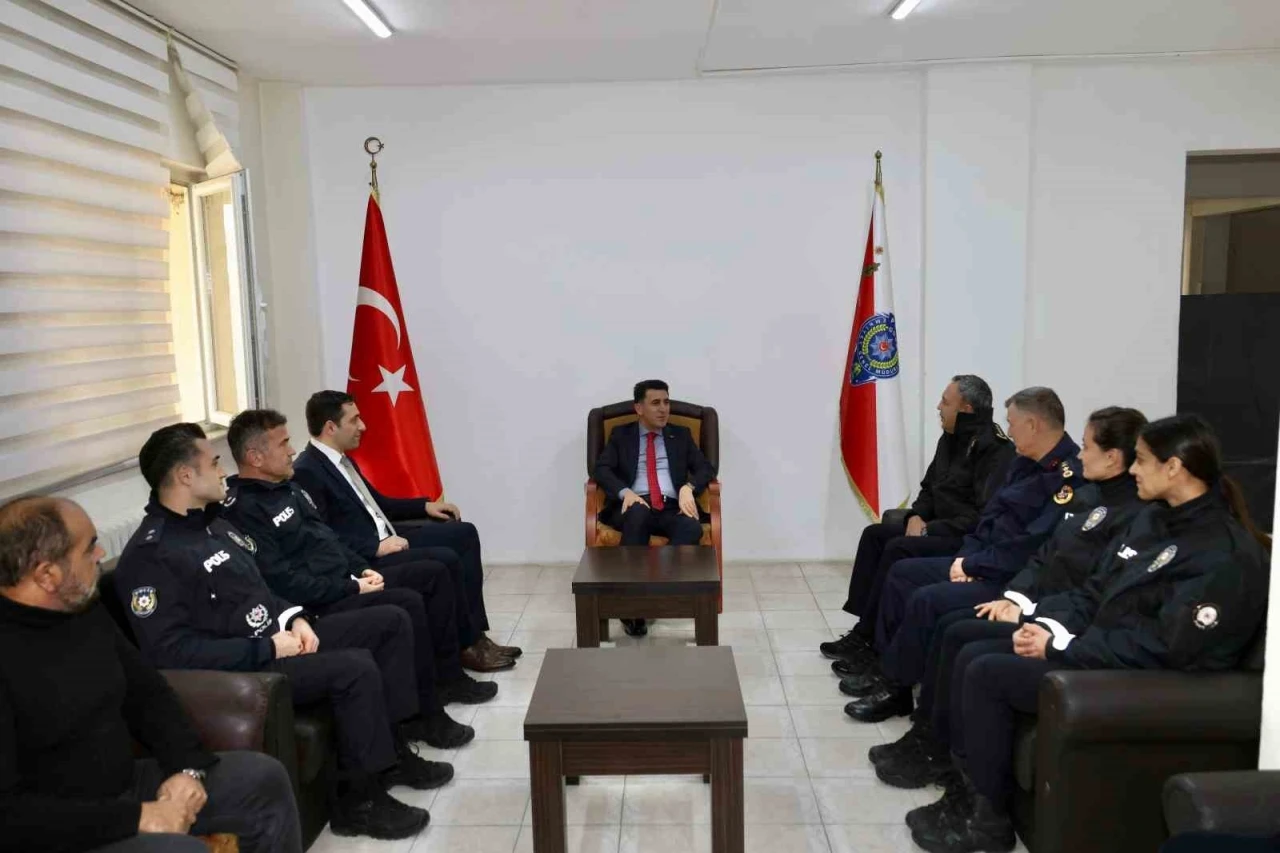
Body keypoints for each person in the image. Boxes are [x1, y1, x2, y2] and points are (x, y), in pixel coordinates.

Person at [913, 413, 1270, 853]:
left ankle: (987, 822)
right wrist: (1044, 625)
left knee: (987, 672)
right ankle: (965, 788)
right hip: (1096, 647)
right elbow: (1096, 589)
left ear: (1174, 467)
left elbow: (1166, 647)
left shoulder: (1223, 553)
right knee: (970, 649)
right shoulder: (1155, 520)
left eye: (1141, 460)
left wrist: (1064, 647)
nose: (1133, 469)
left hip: (1137, 676)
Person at [113, 423, 447, 841]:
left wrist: (293, 618)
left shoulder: (214, 525)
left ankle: (394, 753)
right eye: (213, 463)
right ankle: (359, 803)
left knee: (388, 622)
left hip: (276, 640)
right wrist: (267, 647)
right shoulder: (151, 556)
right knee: (354, 669)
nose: (223, 471)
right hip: (244, 669)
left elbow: (259, 587)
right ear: (185, 476)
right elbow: (172, 653)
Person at [867, 406, 1147, 792]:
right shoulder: (1088, 497)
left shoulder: (1127, 514)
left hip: (1055, 618)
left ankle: (951, 765)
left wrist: (1033, 613)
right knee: (949, 624)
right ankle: (927, 734)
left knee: (953, 627)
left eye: (1087, 447)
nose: (1080, 455)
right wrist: (1014, 595)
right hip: (1029, 594)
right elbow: (1043, 554)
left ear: (1113, 457)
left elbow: (1090, 588)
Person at [0, 495, 302, 853]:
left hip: (126, 787)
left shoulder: (82, 609)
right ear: (47, 574)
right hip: (59, 829)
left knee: (263, 779)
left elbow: (147, 693)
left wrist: (185, 769)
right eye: (90, 547)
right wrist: (138, 818)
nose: (101, 555)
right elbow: (10, 815)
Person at [223, 409, 496, 719]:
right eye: (283, 443)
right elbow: (283, 581)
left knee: (434, 571)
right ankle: (422, 713)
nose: (292, 450)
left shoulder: (288, 487)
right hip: (321, 601)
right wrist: (352, 585)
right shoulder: (246, 510)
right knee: (407, 602)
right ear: (255, 457)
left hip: (347, 577)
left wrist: (360, 569)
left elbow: (329, 538)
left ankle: (449, 676)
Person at [838, 387, 1084, 721]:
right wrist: (964, 560)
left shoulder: (1067, 478)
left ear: (1033, 425)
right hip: (982, 560)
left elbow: (1029, 545)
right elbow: (989, 519)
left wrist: (973, 565)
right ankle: (883, 664)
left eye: (1012, 423)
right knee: (902, 572)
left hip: (1010, 579)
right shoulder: (1024, 462)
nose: (1009, 430)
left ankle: (895, 687)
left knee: (926, 598)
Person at [292, 390, 519, 672]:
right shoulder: (308, 470)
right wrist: (374, 548)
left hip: (389, 535)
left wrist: (424, 506)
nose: (363, 426)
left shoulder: (341, 460)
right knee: (446, 559)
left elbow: (379, 504)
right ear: (330, 427)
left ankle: (475, 635)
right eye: (354, 420)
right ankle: (465, 646)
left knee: (463, 533)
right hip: (367, 554)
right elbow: (323, 535)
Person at [822, 375, 1013, 663]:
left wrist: (930, 529)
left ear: (967, 409)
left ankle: (875, 642)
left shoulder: (995, 450)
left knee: (898, 548)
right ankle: (864, 630)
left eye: (945, 402)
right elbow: (929, 488)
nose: (938, 407)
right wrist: (917, 514)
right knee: (875, 535)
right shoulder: (949, 438)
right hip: (934, 527)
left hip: (961, 538)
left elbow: (983, 516)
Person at [592, 379, 719, 637]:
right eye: (656, 403)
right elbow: (601, 469)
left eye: (666, 402)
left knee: (691, 527)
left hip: (670, 506)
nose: (663, 409)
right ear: (639, 408)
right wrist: (625, 492)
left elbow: (706, 468)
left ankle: (658, 593)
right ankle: (631, 608)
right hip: (633, 504)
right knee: (638, 513)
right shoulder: (621, 435)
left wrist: (688, 487)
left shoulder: (680, 435)